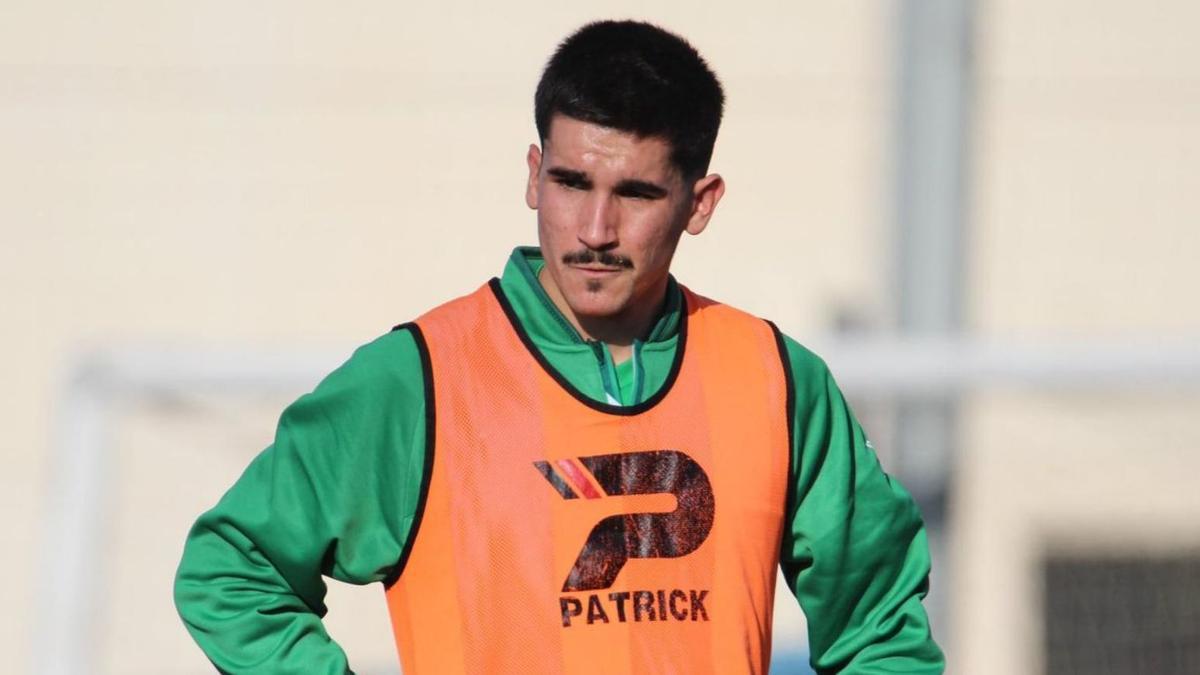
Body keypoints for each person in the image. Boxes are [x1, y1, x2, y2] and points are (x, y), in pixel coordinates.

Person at [175, 19, 944, 674]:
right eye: (573, 183)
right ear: (534, 176)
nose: (596, 230)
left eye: (636, 194)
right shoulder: (421, 379)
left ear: (698, 203)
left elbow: (878, 623)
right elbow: (230, 569)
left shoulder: (775, 380)